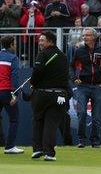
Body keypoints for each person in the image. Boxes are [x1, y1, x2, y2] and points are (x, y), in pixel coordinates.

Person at [29, 30, 70, 161]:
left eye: (42, 40)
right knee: (51, 124)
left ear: (50, 41)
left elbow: (37, 71)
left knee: (38, 121)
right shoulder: (63, 56)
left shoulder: (43, 54)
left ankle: (37, 149)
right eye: (39, 40)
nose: (40, 43)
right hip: (59, 94)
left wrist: (33, 83)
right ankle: (49, 153)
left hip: (42, 93)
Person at [0, 36, 25, 155]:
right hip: (7, 92)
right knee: (14, 119)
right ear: (11, 45)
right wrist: (15, 93)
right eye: (15, 44)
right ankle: (10, 147)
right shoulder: (13, 58)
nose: (16, 46)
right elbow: (15, 77)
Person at [72, 27, 101, 148]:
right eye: (83, 36)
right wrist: (74, 79)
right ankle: (82, 140)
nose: (84, 37)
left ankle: (95, 141)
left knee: (97, 116)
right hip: (82, 86)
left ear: (94, 37)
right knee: (82, 113)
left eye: (87, 35)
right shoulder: (79, 51)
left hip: (97, 87)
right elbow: (72, 67)